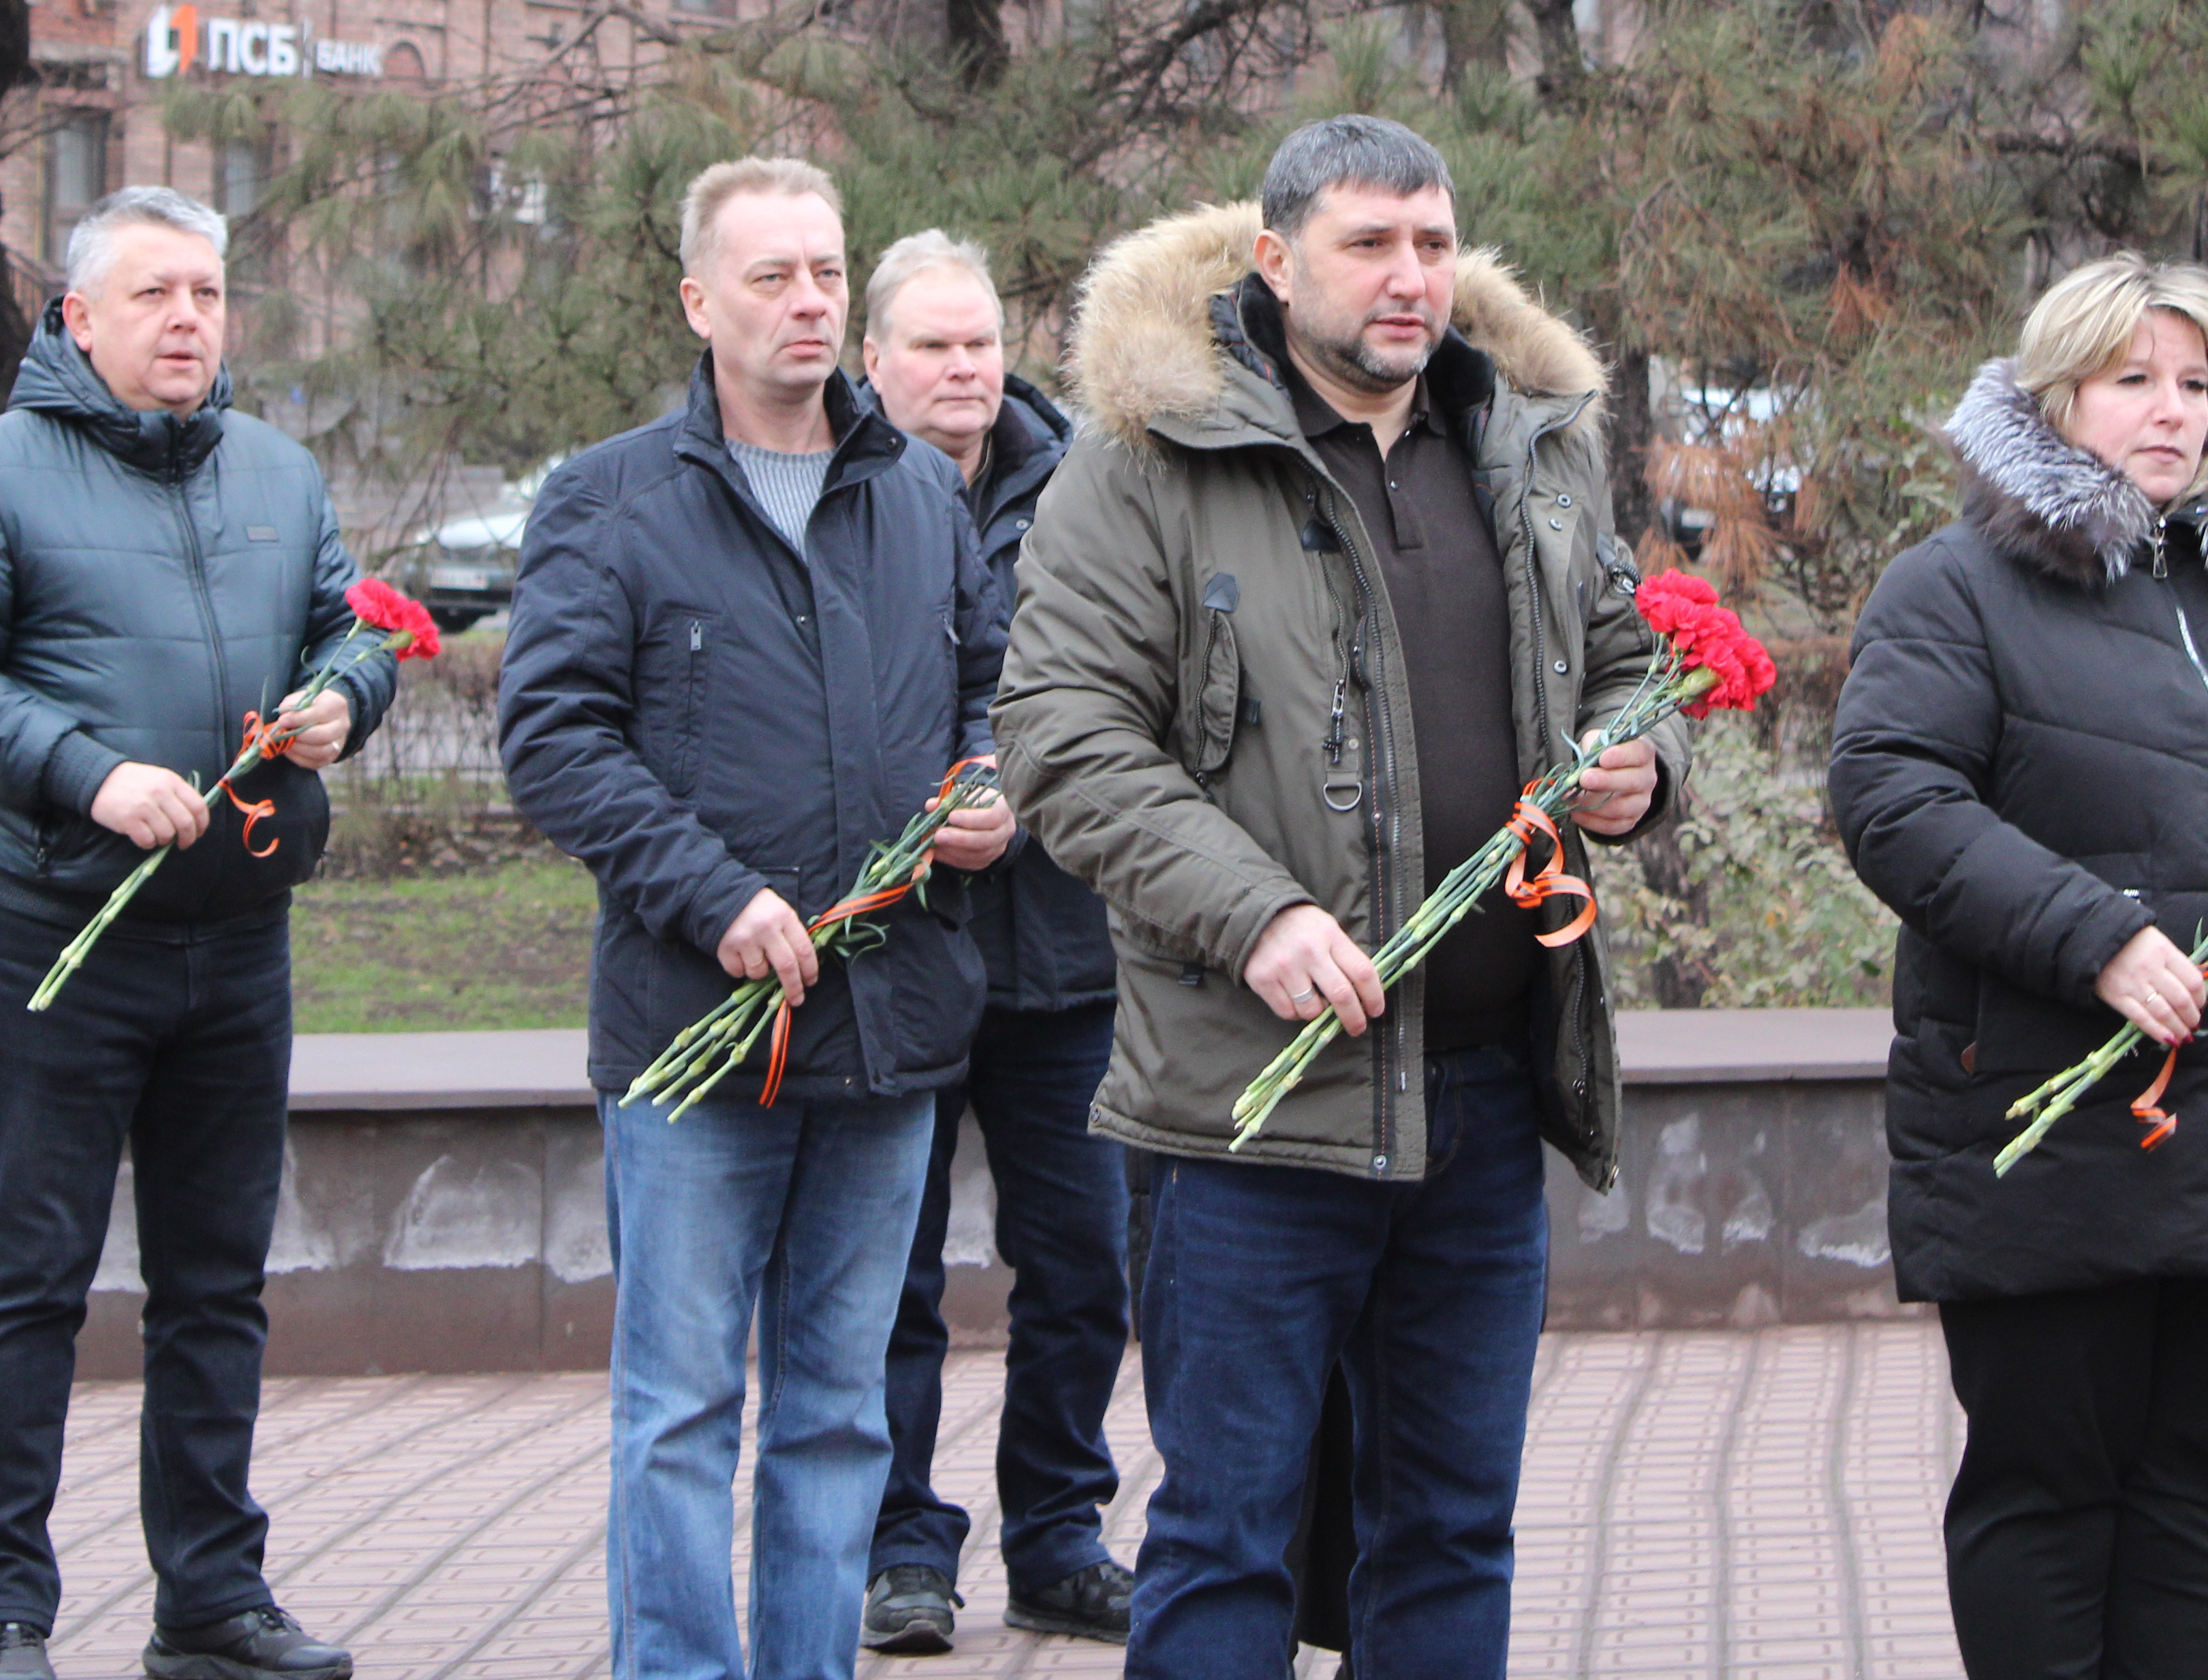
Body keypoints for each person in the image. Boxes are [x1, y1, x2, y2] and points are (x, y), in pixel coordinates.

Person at [996, 114, 1680, 1676]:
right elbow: (1061, 736)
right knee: (1227, 1535)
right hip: (1253, 1105)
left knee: (1448, 1524)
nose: (1410, 278)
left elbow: (1630, 656)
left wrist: (1639, 759)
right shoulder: (1149, 457)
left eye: (1434, 243)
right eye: (1370, 243)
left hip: (1485, 1095)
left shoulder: (1528, 442)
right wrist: (1259, 913)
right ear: (1274, 256)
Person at [1828, 253, 2208, 1680]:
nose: (2171, 410)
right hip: (2047, 1124)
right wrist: (2095, 935)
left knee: (2188, 1492)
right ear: (2056, 397)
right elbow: (1892, 796)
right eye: (2133, 380)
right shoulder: (1958, 585)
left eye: (2195, 381)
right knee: (2049, 1495)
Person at [499, 156, 1019, 1680]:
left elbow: (991, 686)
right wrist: (713, 894)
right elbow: (557, 737)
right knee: (675, 1411)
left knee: (841, 1406)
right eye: (772, 275)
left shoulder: (923, 493)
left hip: (888, 1025)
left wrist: (990, 788)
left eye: (824, 272)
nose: (806, 300)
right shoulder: (610, 498)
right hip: (694, 1037)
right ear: (697, 301)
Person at [0, 185, 399, 1680]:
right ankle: (3, 1612)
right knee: (32, 1272)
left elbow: (351, 621)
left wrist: (345, 698)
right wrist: (86, 770)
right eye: (157, 294)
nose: (190, 320)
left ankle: (213, 1602)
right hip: (64, 938)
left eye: (210, 294)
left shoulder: (277, 469)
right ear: (79, 316)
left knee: (218, 1280)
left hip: (239, 941)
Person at [849, 232, 1133, 1656]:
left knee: (1085, 1261)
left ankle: (1058, 1535)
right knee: (891, 1274)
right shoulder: (840, 493)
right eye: (934, 345)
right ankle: (902, 1547)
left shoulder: (1089, 481)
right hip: (901, 943)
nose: (966, 368)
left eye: (982, 343)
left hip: (1071, 947)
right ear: (874, 360)